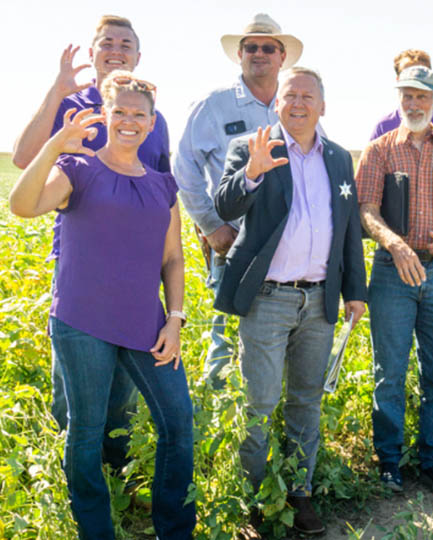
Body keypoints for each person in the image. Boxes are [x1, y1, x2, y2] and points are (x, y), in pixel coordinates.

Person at [9, 71, 193, 540]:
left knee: (178, 421)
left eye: (139, 115)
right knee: (86, 432)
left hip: (146, 324)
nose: (129, 121)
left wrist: (175, 319)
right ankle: (96, 530)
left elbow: (173, 258)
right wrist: (56, 145)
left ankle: (174, 528)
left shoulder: (162, 186)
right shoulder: (76, 168)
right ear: (106, 115)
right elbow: (22, 206)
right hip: (82, 321)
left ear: (152, 124)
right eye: (120, 112)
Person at [11, 15, 171, 466]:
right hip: (80, 265)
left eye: (126, 44)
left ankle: (116, 478)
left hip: (135, 272)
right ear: (93, 51)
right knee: (76, 391)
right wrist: (56, 91)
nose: (116, 50)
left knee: (122, 389)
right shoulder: (71, 104)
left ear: (138, 57)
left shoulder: (151, 117)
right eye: (107, 43)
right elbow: (24, 159)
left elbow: (163, 190)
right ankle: (79, 484)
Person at [214, 67, 366, 537]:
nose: (298, 103)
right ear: (275, 104)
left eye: (308, 96)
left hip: (318, 301)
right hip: (267, 297)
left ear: (323, 106)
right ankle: (258, 498)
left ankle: (299, 495)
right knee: (258, 404)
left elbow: (348, 231)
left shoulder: (339, 158)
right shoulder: (253, 148)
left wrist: (355, 292)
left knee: (305, 402)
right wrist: (253, 172)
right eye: (290, 95)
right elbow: (224, 206)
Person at [356, 66, 433, 498]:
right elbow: (367, 210)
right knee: (388, 372)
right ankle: (389, 462)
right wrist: (395, 244)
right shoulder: (378, 151)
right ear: (399, 99)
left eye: (421, 96)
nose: (413, 104)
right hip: (393, 271)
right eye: (406, 96)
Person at [175, 14, 314, 388]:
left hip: (286, 251)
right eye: (251, 46)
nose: (259, 53)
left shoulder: (295, 104)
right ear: (239, 54)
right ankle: (219, 421)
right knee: (226, 336)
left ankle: (264, 421)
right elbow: (184, 168)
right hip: (234, 242)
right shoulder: (213, 105)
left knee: (276, 342)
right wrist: (211, 225)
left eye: (268, 47)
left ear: (282, 56)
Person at [370, 49, 433, 153]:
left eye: (421, 73)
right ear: (398, 80)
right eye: (407, 73)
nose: (414, 78)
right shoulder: (384, 125)